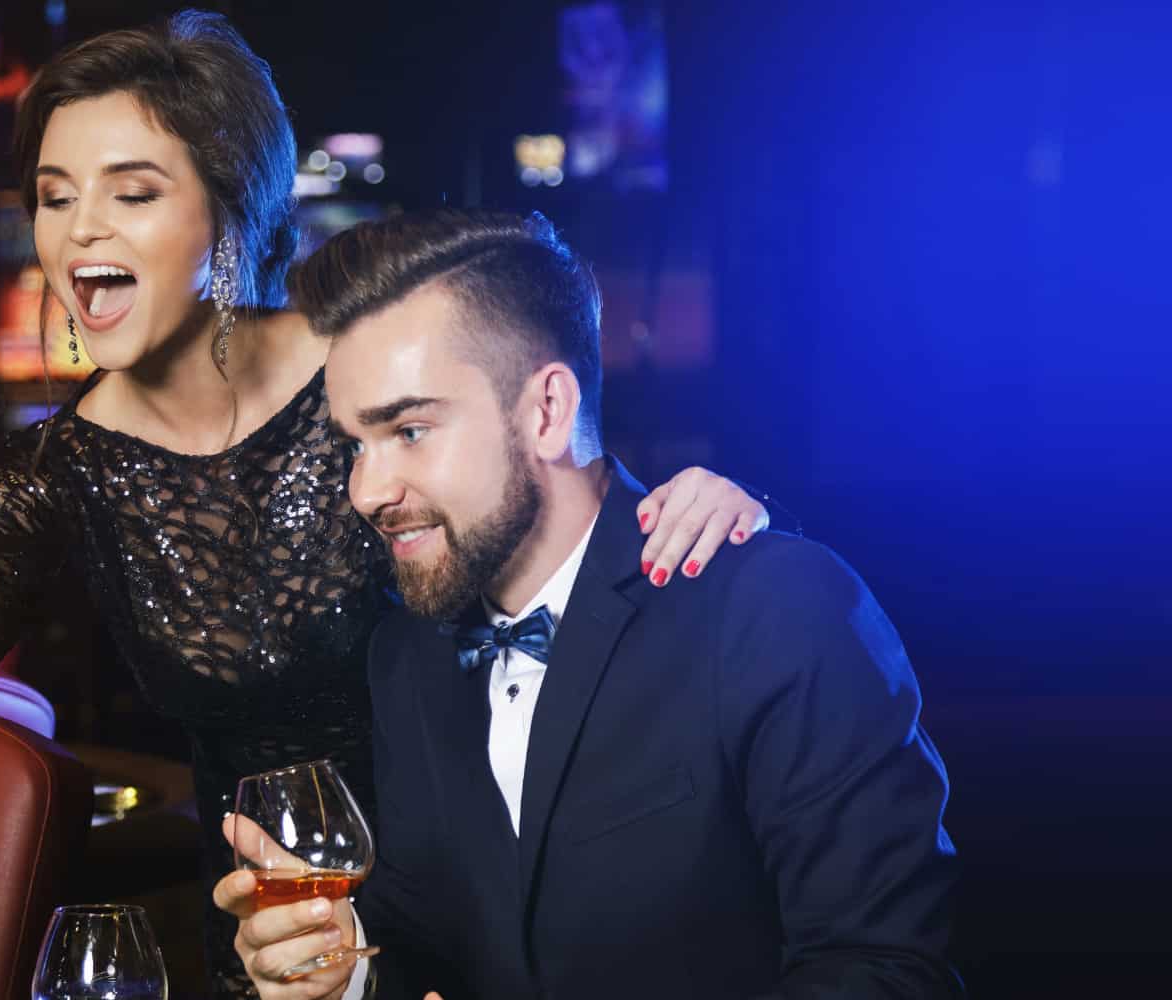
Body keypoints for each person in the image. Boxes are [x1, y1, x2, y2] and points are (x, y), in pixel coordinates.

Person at [0, 14, 771, 996]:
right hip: (281, 936)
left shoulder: (370, 368)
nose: (79, 231)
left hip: (519, 890)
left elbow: (556, 485)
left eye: (133, 193)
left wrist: (704, 508)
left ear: (231, 209)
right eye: (55, 198)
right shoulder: (59, 468)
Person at [214, 209, 961, 999]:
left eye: (409, 429)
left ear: (547, 410)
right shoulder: (408, 655)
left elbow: (886, 974)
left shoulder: (775, 610)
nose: (366, 490)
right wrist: (349, 969)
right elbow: (433, 941)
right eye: (354, 444)